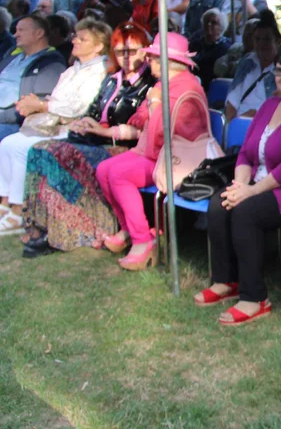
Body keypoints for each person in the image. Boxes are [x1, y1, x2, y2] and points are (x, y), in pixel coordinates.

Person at [197, 44, 281, 325]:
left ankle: (255, 297)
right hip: (255, 182)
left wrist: (250, 192)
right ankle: (225, 281)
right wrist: (238, 186)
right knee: (220, 203)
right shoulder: (270, 104)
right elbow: (245, 152)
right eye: (280, 69)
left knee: (246, 212)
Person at [20, 23, 155, 255]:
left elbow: (143, 130)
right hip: (96, 139)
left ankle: (73, 231)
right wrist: (86, 123)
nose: (125, 57)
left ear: (145, 51)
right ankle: (41, 225)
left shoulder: (149, 84)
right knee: (39, 150)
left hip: (124, 146)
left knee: (58, 154)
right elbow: (94, 110)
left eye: (131, 51)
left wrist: (101, 130)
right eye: (119, 50)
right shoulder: (113, 79)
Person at [96, 32, 210, 270]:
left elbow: (161, 132)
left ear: (168, 62)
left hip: (172, 160)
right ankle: (128, 228)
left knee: (119, 174)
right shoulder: (163, 85)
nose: (149, 62)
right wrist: (147, 108)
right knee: (104, 168)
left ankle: (143, 240)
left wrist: (154, 104)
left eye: (155, 58)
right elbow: (140, 119)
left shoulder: (185, 88)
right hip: (152, 152)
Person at [0, 19, 110, 238]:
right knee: (8, 144)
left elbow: (79, 106)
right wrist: (42, 103)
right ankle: (4, 202)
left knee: (24, 149)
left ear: (98, 46)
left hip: (74, 129)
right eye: (75, 36)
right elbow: (58, 97)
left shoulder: (99, 71)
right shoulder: (74, 69)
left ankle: (19, 210)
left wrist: (41, 105)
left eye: (82, 38)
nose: (74, 41)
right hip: (55, 123)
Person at [0, 14, 67, 141]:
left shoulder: (52, 64)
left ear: (39, 33)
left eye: (21, 30)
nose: (15, 35)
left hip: (12, 122)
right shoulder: (12, 56)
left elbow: (36, 104)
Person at [225, 18, 280, 120]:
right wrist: (231, 126)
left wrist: (256, 116)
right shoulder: (248, 61)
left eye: (267, 39)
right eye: (257, 39)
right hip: (239, 123)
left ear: (277, 41)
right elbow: (232, 100)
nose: (262, 44)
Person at [189, 8, 231, 90]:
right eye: (206, 22)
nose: (209, 24)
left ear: (221, 27)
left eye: (213, 22)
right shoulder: (194, 44)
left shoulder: (227, 48)